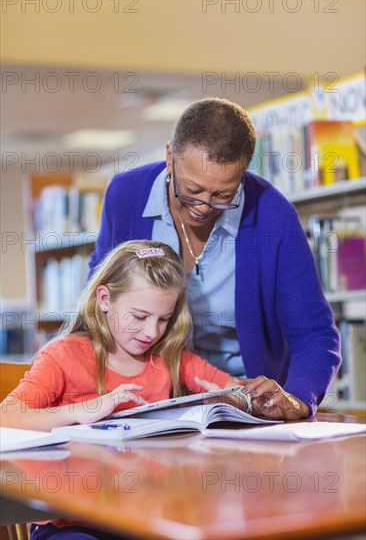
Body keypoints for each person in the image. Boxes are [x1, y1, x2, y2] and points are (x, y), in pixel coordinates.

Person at [88, 98, 341, 419]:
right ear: (169, 157)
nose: (204, 207)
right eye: (192, 189)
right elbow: (98, 303)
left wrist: (298, 399)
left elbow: (314, 331)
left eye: (223, 195)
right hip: (145, 397)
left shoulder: (274, 216)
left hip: (242, 403)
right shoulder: (126, 196)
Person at [1, 239, 256, 540]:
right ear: (105, 299)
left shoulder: (169, 356)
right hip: (71, 522)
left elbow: (241, 391)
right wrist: (81, 411)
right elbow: (7, 416)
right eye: (139, 317)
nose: (152, 332)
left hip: (147, 515)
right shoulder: (63, 355)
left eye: (164, 319)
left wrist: (234, 401)